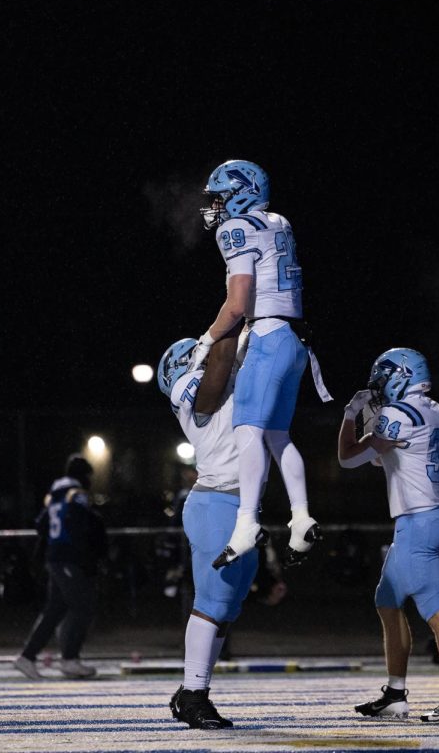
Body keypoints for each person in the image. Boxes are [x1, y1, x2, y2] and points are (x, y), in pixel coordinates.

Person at [190, 159, 332, 569]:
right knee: (276, 434)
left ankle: (247, 522)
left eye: (219, 197)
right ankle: (301, 517)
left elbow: (237, 304)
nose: (214, 207)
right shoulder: (279, 222)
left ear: (240, 193)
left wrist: (209, 336)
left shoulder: (235, 229)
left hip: (269, 336)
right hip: (296, 340)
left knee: (247, 429)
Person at [338, 348, 439, 723]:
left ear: (399, 375)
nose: (380, 387)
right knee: (387, 600)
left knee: (436, 611)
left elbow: (349, 457)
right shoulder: (436, 410)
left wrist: (352, 414)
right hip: (429, 516)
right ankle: (395, 694)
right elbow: (385, 454)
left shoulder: (398, 413)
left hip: (418, 522)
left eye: (383, 378)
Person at [157, 328, 263, 729]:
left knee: (229, 608)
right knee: (213, 602)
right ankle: (194, 695)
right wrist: (231, 319)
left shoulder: (219, 384)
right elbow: (220, 360)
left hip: (240, 506)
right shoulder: (193, 388)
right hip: (216, 503)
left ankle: (191, 691)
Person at [14, 453, 107, 680]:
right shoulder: (76, 494)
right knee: (83, 606)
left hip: (55, 556)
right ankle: (69, 658)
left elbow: (41, 524)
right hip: (68, 557)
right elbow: (82, 524)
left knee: (55, 609)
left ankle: (27, 657)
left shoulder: (55, 493)